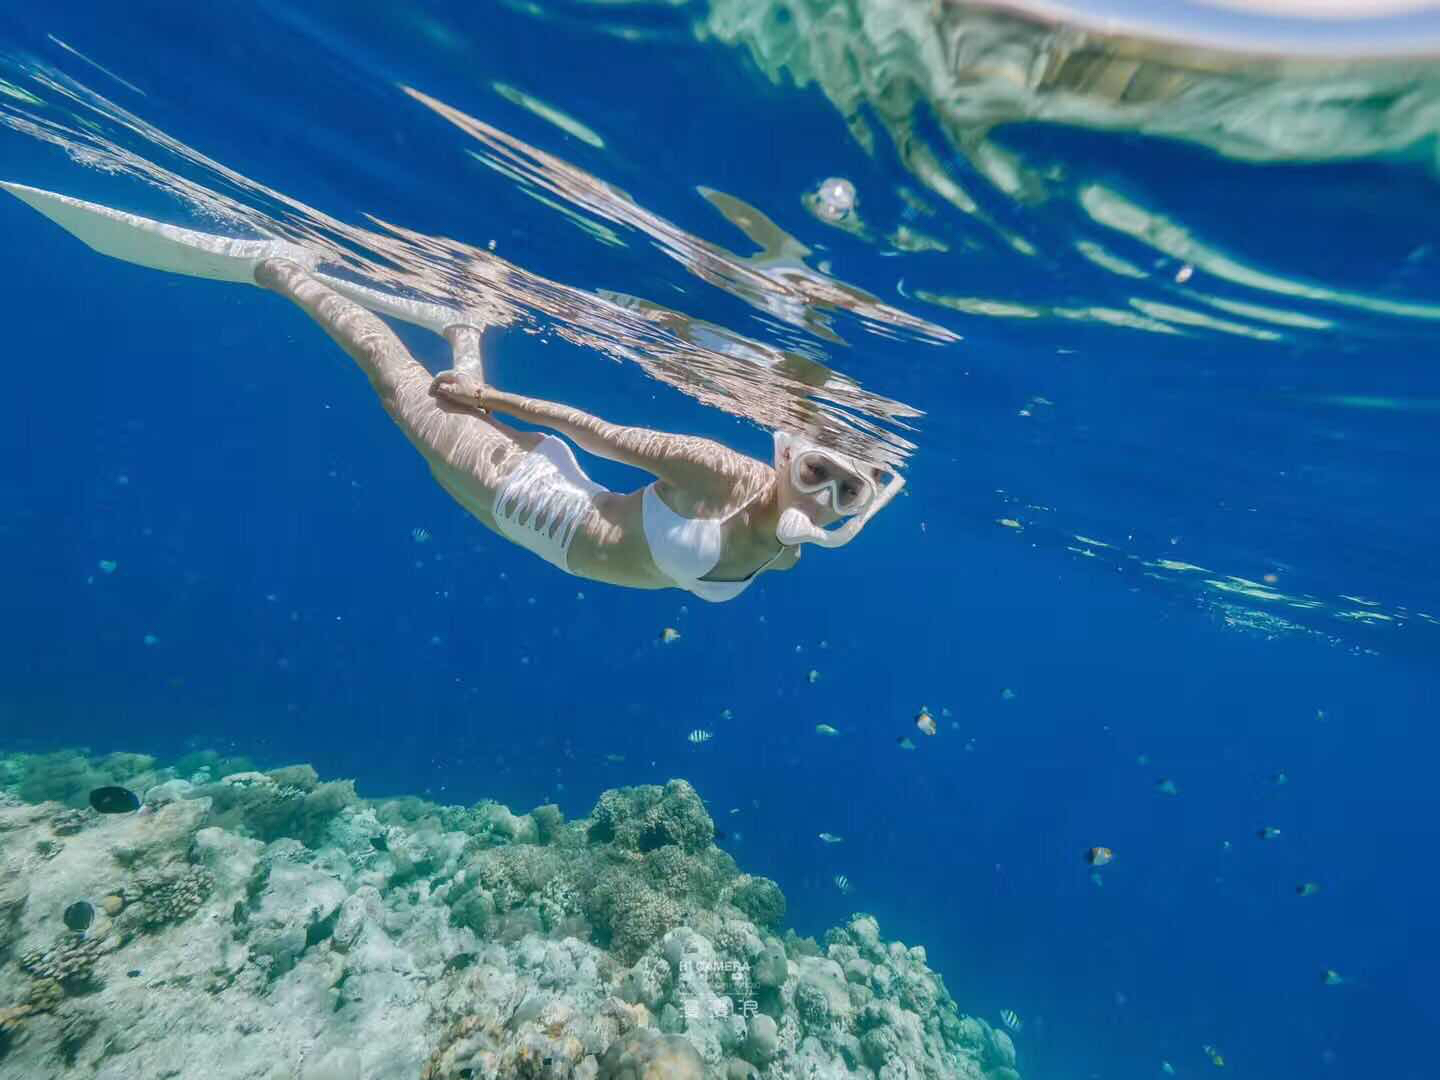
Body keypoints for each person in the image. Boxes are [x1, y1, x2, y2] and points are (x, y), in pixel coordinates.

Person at [2, 182, 905, 601]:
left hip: (569, 507)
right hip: (539, 508)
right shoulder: (715, 468)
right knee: (404, 395)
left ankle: (462, 326)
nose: (824, 497)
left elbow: (734, 542)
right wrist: (493, 408)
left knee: (435, 396)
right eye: (823, 468)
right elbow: (594, 427)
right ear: (789, 446)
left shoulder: (791, 552)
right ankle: (280, 270)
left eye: (846, 492)